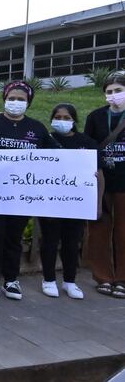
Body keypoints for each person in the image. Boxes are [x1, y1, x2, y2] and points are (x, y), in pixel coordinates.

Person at [0, 80, 58, 301]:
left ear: (28, 102)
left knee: (14, 235)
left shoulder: (37, 128)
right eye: (11, 98)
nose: (15, 102)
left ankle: (11, 279)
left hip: (22, 194)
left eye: (21, 99)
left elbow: (58, 157)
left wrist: (81, 168)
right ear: (4, 99)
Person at [39, 103, 102, 299]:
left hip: (76, 203)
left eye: (66, 118)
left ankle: (69, 281)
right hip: (50, 201)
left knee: (71, 242)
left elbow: (98, 173)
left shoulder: (88, 143)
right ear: (51, 119)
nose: (62, 121)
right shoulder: (45, 140)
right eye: (58, 117)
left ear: (74, 120)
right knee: (49, 241)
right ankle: (48, 279)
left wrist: (97, 203)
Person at [84, 71, 125, 298]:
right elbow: (87, 146)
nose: (113, 95)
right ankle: (103, 277)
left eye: (118, 90)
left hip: (124, 183)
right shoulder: (96, 117)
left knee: (123, 231)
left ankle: (122, 278)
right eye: (109, 92)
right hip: (100, 181)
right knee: (98, 230)